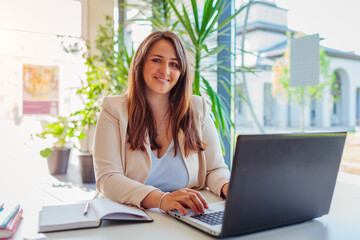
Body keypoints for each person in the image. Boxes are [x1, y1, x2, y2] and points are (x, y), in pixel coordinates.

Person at [93, 31, 230, 216]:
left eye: (174, 64)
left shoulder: (197, 108)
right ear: (140, 63)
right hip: (127, 217)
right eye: (157, 60)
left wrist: (230, 188)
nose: (165, 71)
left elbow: (214, 170)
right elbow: (108, 178)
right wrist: (162, 199)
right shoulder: (114, 110)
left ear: (181, 73)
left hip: (183, 216)